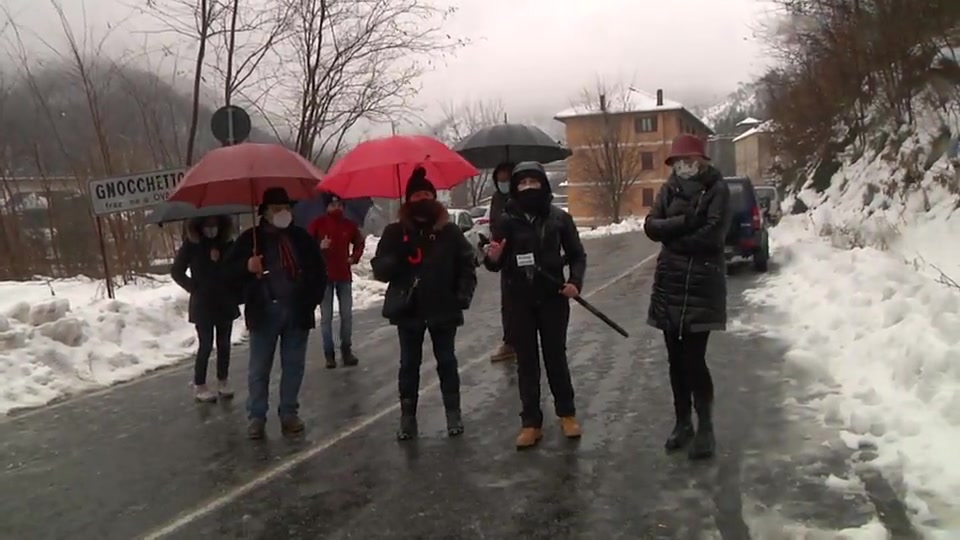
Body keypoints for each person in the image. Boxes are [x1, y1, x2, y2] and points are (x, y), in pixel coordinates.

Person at [483, 161, 587, 450]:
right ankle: (531, 423)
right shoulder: (505, 221)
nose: (528, 188)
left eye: (534, 182)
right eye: (523, 183)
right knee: (526, 362)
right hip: (519, 301)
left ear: (544, 184)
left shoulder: (559, 219)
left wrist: (575, 282)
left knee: (556, 357)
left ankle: (567, 414)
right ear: (515, 188)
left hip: (553, 297)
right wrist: (493, 257)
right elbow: (494, 264)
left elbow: (577, 255)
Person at [371, 167, 478, 441]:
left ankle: (453, 413)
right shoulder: (395, 232)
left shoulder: (450, 232)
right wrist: (397, 257)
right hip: (409, 309)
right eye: (416, 194)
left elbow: (468, 264)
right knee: (409, 364)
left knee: (447, 362)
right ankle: (408, 417)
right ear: (408, 199)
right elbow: (380, 271)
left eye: (426, 193)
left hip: (444, 307)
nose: (422, 198)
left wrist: (462, 296)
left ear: (434, 196)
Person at [642, 134, 731, 460]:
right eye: (678, 162)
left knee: (694, 359)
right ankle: (683, 423)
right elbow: (651, 226)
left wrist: (673, 238)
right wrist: (683, 223)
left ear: (702, 160)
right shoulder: (669, 189)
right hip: (669, 285)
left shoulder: (717, 189)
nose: (683, 167)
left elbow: (714, 235)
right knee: (675, 360)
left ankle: (705, 425)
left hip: (702, 285)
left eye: (688, 161)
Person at [223, 187, 327, 440]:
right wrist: (247, 267)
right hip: (264, 311)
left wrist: (310, 301)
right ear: (265, 213)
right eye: (277, 209)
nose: (283, 213)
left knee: (293, 367)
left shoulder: (301, 239)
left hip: (297, 311)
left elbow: (318, 273)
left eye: (287, 208)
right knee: (259, 369)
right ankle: (257, 417)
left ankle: (289, 413)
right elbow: (228, 274)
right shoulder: (251, 240)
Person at [171, 215, 240, 402]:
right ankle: (199, 384)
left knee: (224, 343)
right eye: (208, 224)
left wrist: (222, 259)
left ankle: (223, 380)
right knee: (206, 344)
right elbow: (176, 271)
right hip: (203, 303)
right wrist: (194, 287)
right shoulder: (191, 245)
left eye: (215, 224)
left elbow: (236, 267)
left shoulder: (227, 243)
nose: (212, 228)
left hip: (225, 300)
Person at [307, 193, 365, 369]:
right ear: (326, 207)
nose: (337, 208)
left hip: (344, 276)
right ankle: (329, 353)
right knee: (326, 318)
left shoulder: (349, 225)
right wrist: (318, 247)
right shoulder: (317, 224)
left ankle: (346, 350)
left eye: (340, 204)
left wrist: (354, 257)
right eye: (333, 205)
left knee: (346, 315)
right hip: (324, 276)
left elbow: (359, 243)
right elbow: (305, 247)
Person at [488, 161, 516, 363]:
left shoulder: (522, 197)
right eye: (500, 179)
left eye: (507, 179)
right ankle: (510, 342)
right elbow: (493, 223)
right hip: (506, 260)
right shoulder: (497, 198)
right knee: (509, 303)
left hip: (527, 255)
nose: (503, 182)